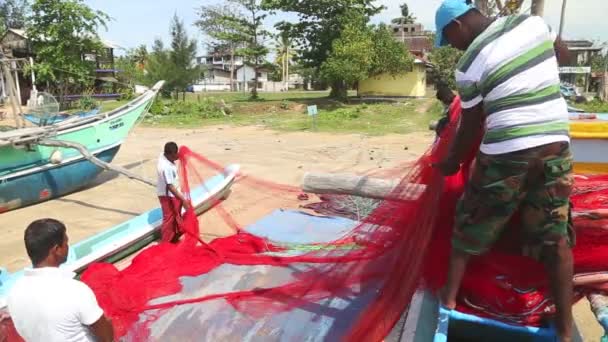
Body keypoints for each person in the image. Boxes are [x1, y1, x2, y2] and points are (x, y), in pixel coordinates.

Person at [433, 1, 574, 341]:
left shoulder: (468, 65)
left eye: (448, 39)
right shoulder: (532, 24)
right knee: (555, 240)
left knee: (468, 225)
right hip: (556, 146)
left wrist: (451, 163)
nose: (453, 46)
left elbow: (470, 126)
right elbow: (563, 55)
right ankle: (566, 332)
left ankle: (448, 302)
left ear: (457, 25)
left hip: (506, 153)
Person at [7, 219, 114, 342]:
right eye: (66, 242)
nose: (68, 246)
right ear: (57, 249)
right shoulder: (75, 290)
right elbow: (107, 338)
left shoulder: (14, 293)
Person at [158, 141, 192, 243]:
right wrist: (183, 199)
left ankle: (174, 236)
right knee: (169, 218)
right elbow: (170, 186)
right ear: (169, 154)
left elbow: (174, 155)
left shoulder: (163, 155)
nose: (176, 157)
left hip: (173, 193)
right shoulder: (166, 167)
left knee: (176, 215)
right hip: (168, 195)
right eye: (174, 155)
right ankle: (166, 242)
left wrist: (179, 156)